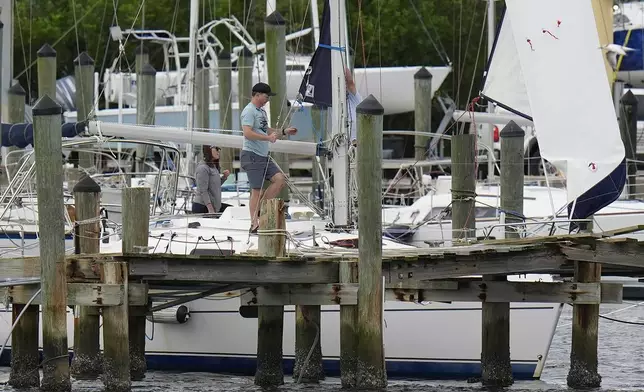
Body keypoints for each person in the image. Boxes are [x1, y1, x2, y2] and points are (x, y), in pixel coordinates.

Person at [240, 82, 297, 233]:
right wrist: (267, 138)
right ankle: (254, 224)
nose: (268, 100)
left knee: (280, 180)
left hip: (264, 156)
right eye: (266, 96)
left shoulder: (261, 111)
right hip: (252, 155)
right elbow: (247, 133)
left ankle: (262, 210)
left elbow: (266, 129)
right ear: (257, 95)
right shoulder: (249, 111)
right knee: (256, 191)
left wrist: (284, 131)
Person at [192, 145, 230, 214]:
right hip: (202, 206)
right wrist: (210, 209)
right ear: (208, 151)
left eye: (218, 150)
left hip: (214, 206)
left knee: (231, 211)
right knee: (230, 212)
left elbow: (214, 186)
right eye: (216, 149)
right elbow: (203, 190)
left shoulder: (213, 167)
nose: (218, 152)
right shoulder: (203, 168)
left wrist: (224, 177)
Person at [345, 67, 363, 145]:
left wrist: (339, 58)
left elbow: (350, 83)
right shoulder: (332, 99)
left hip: (355, 143)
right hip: (340, 143)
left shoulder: (354, 97)